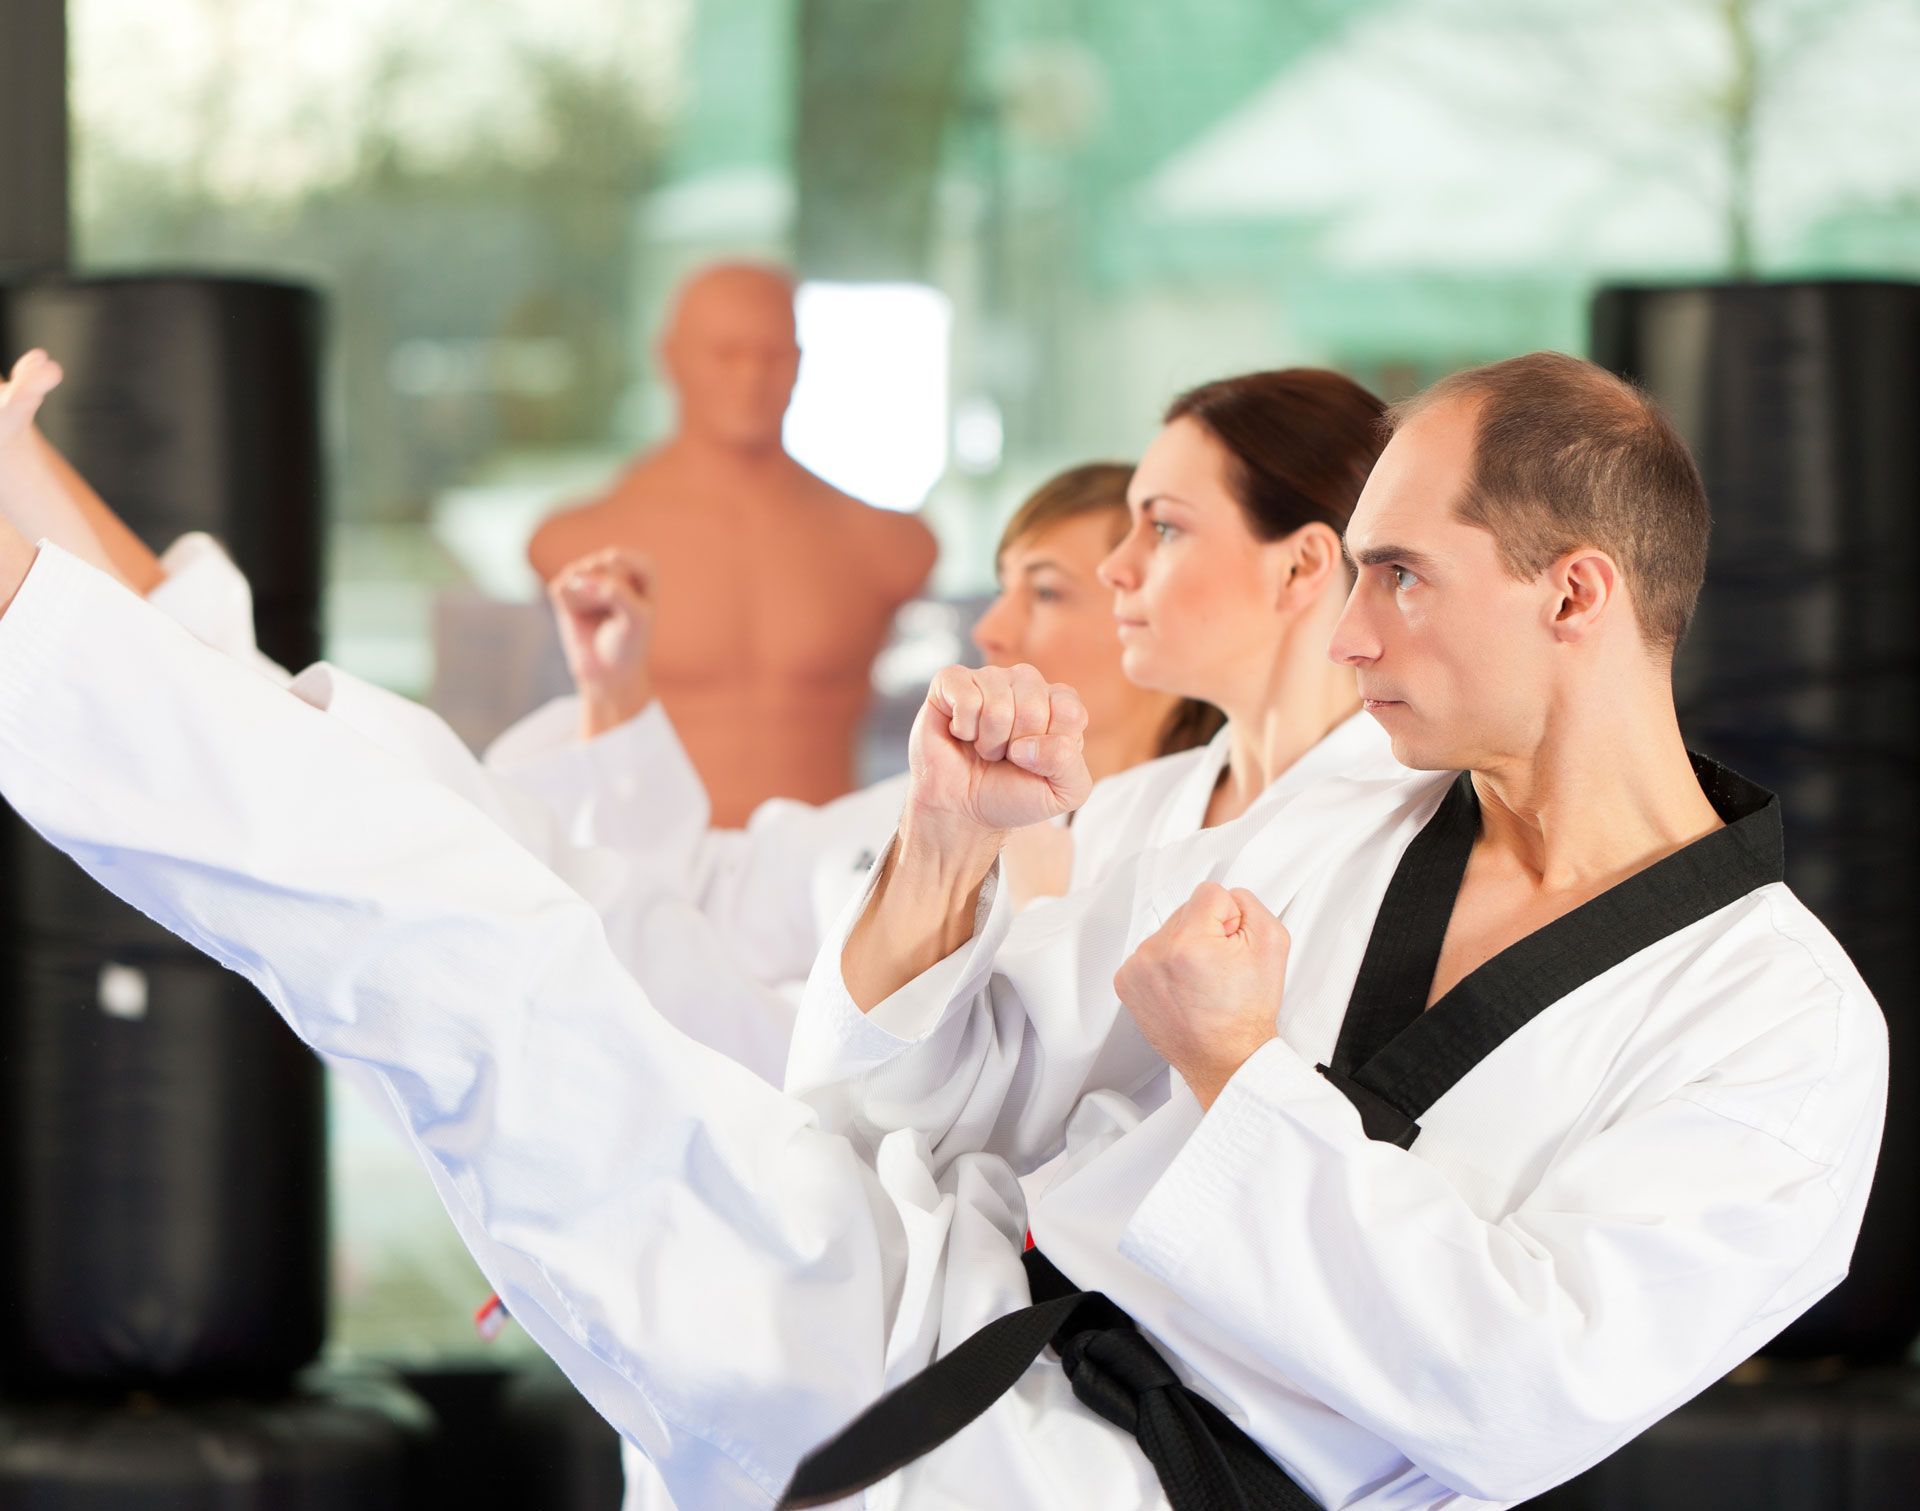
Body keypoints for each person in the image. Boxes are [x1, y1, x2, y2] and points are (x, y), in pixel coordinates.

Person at [0, 349, 1884, 1509]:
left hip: (1105, 1481)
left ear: (1576, 594)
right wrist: (947, 858)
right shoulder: (1342, 818)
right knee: (450, 915)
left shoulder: (1787, 1033)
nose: (1359, 627)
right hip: (912, 1297)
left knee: (458, 931)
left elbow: (1525, 1387)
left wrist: (1245, 1081)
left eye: (1401, 574)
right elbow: (938, 1106)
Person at [526, 261, 938, 825]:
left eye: (771, 355)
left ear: (799, 362)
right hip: (655, 875)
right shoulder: (580, 539)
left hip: (826, 873)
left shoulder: (885, 543)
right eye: (724, 353)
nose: (749, 379)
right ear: (669, 358)